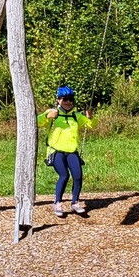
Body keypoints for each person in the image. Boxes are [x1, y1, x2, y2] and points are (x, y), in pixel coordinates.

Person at [43, 85, 93, 216]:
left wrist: (91, 117)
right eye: (65, 99)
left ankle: (75, 202)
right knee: (64, 175)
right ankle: (58, 203)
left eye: (71, 99)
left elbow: (91, 125)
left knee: (78, 176)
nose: (68, 102)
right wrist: (47, 116)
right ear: (59, 100)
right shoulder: (53, 113)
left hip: (72, 151)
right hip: (56, 151)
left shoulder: (76, 116)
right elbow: (36, 121)